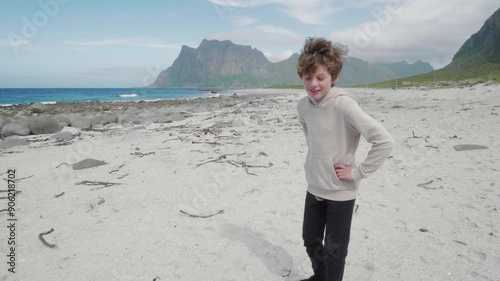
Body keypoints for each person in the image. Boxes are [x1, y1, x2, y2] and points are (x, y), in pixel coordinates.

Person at [296, 37, 395, 281]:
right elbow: (311, 136)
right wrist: (318, 163)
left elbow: (384, 141)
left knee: (335, 250)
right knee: (310, 239)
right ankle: (320, 276)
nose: (313, 84)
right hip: (314, 186)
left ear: (334, 76)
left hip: (341, 191)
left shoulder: (345, 106)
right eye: (308, 78)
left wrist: (357, 172)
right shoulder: (303, 107)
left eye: (320, 78)